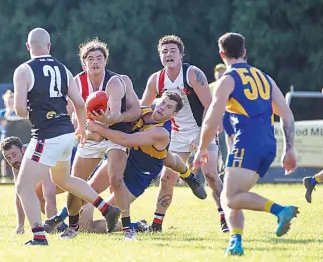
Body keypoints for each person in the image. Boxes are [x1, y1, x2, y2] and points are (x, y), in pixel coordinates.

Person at [46, 92, 206, 239]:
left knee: (93, 225)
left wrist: (98, 128)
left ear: (174, 115)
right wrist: (100, 116)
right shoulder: (141, 111)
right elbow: (117, 118)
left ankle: (136, 225)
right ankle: (61, 216)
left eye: (169, 107)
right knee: (88, 191)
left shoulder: (161, 133)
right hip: (125, 157)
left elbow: (126, 140)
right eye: (163, 103)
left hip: (140, 174)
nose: (163, 108)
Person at [193, 32, 299, 256]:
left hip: (246, 143)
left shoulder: (228, 79)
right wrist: (289, 148)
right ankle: (235, 241)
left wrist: (202, 149)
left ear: (222, 54)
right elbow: (287, 115)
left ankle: (280, 210)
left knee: (230, 197)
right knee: (231, 195)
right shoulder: (265, 78)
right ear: (244, 52)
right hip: (268, 145)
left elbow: (212, 120)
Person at [13, 28, 120, 246]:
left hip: (46, 135)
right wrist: (80, 128)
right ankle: (107, 209)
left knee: (23, 188)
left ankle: (39, 237)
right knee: (64, 180)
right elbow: (80, 103)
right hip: (66, 134)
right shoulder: (62, 69)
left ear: (28, 46)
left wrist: (34, 107)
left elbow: (20, 111)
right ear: (49, 46)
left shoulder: (23, 70)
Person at [141, 35, 227, 233]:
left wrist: (202, 137)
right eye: (164, 51)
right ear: (160, 56)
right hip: (178, 135)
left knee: (211, 174)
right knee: (166, 178)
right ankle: (156, 225)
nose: (168, 54)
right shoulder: (156, 79)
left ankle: (225, 218)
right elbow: (144, 108)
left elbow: (210, 106)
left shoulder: (192, 74)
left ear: (181, 55)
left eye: (172, 51)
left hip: (202, 129)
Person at [61, 38, 141, 239]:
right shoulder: (76, 82)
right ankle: (72, 228)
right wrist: (85, 129)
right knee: (74, 183)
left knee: (116, 179)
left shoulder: (115, 82)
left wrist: (106, 121)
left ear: (106, 61)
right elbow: (69, 115)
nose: (95, 62)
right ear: (83, 63)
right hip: (91, 136)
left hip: (115, 134)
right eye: (90, 58)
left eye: (99, 58)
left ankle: (128, 228)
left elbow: (128, 112)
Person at [0, 136, 69, 234]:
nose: (12, 161)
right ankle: (61, 225)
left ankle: (60, 220)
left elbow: (49, 195)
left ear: (23, 149)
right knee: (32, 192)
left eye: (14, 155)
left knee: (85, 226)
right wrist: (20, 226)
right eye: (8, 158)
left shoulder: (38, 156)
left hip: (78, 170)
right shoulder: (17, 164)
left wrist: (50, 226)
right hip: (62, 177)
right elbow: (19, 194)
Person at [0, 90, 19, 182]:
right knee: (4, 158)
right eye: (8, 101)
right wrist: (9, 112)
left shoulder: (18, 112)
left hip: (17, 137)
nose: (10, 103)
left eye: (12, 101)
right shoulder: (2, 112)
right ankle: (4, 177)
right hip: (6, 137)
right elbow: (3, 123)